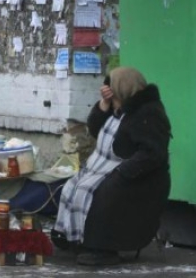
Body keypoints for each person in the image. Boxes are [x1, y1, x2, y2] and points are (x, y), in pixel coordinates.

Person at [52, 67, 172, 266]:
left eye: (113, 95)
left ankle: (100, 247)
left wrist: (122, 172)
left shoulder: (149, 112)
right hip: (104, 166)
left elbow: (152, 153)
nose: (112, 99)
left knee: (100, 192)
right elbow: (95, 128)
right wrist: (104, 104)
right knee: (73, 186)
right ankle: (74, 238)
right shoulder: (119, 108)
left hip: (139, 178)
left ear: (123, 91)